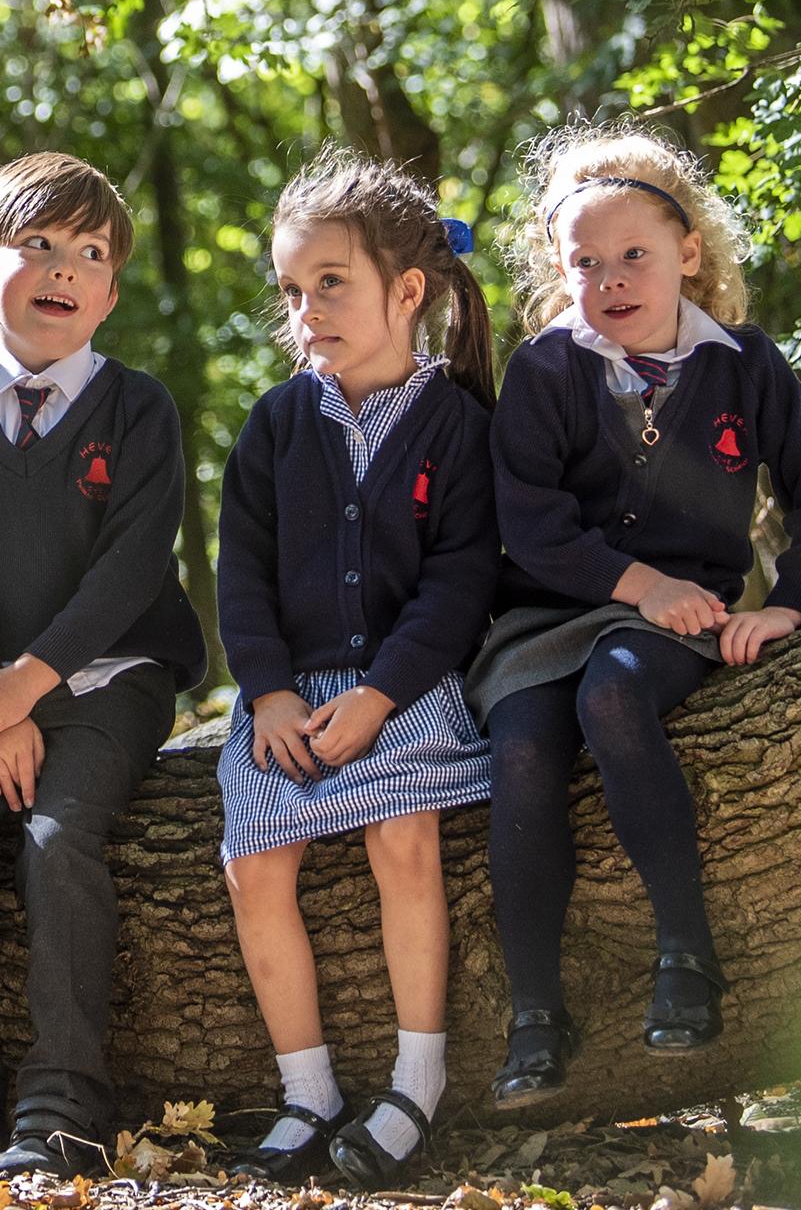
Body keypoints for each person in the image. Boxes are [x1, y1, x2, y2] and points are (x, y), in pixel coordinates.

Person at [470, 125, 801, 1105]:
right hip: (546, 614)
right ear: (560, 271)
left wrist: (789, 606)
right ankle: (534, 1010)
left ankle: (688, 954)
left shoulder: (744, 365)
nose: (610, 279)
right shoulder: (546, 370)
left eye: (634, 255)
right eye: (585, 263)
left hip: (672, 620)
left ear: (688, 253)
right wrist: (636, 581)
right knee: (523, 749)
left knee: (613, 697)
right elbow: (533, 525)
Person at [0, 153, 205, 1182]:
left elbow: (130, 569)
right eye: (39, 244)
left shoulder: (139, 410)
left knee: (59, 842)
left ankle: (63, 1106)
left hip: (111, 678)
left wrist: (31, 684)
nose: (67, 267)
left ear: (110, 295)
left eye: (92, 253)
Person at [211, 152, 502, 1190]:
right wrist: (268, 691)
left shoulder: (458, 425)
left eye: (330, 283)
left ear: (408, 290)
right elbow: (240, 572)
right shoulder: (278, 422)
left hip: (406, 686)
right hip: (289, 695)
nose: (307, 310)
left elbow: (462, 581)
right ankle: (310, 1092)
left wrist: (381, 695)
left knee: (402, 836)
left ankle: (417, 1079)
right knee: (255, 863)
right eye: (293, 290)